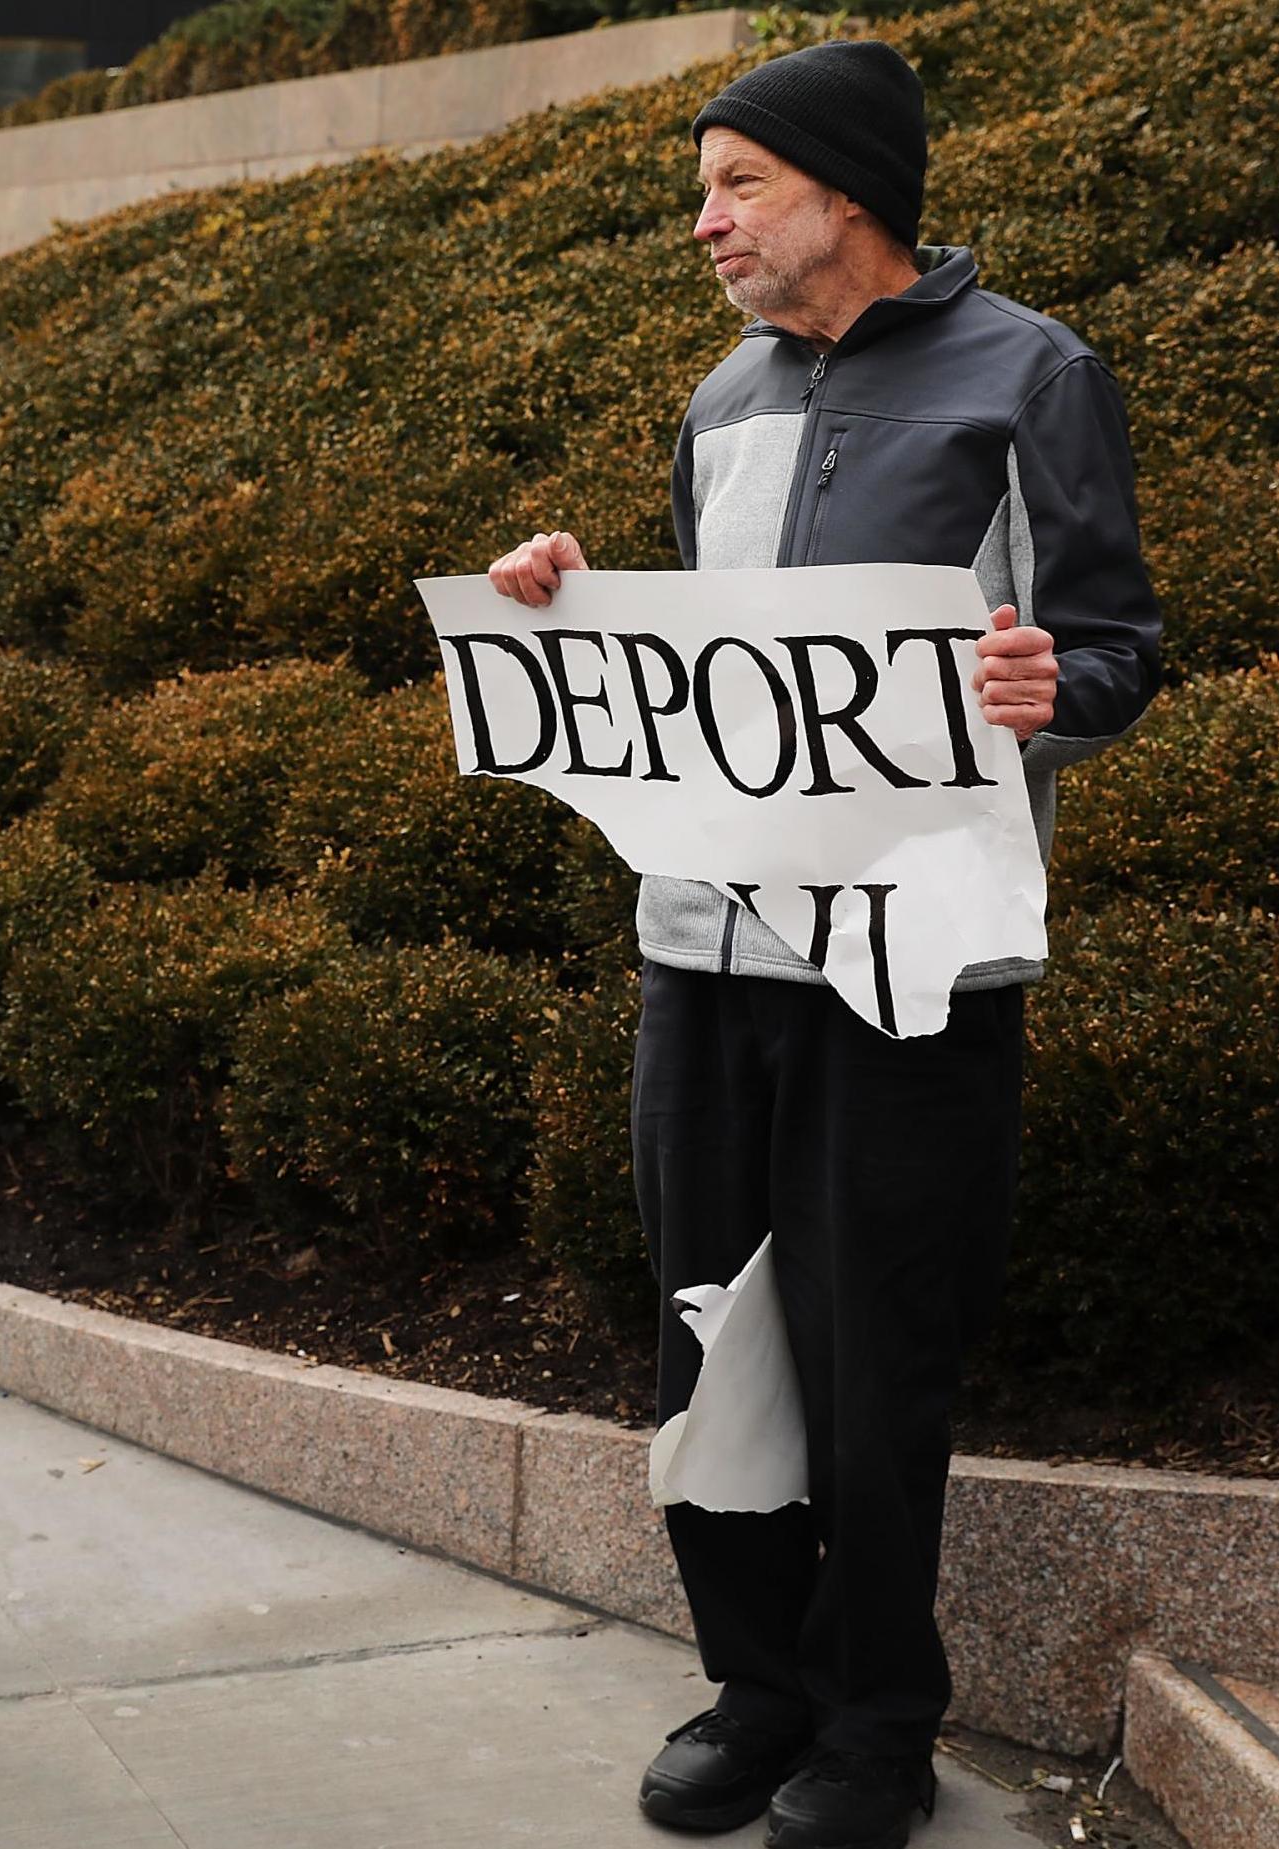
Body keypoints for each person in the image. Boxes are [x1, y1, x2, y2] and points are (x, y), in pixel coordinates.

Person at [486, 41, 1158, 1849]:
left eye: (736, 187)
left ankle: (875, 1721)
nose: (703, 223)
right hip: (701, 955)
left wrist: (1051, 692)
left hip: (914, 965)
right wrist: (569, 604)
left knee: (877, 1344)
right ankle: (754, 1684)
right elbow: (712, 668)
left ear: (846, 191)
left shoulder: (1031, 373)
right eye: (704, 192)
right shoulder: (717, 398)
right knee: (710, 1332)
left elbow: (1113, 643)